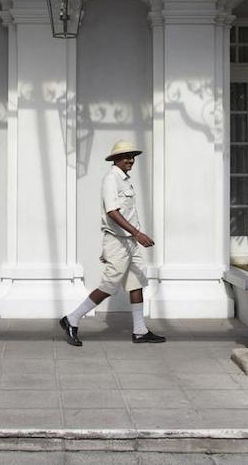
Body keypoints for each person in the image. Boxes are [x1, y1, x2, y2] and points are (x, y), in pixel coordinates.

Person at [58, 140, 165, 346]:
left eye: (133, 156)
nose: (131, 160)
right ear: (116, 159)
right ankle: (72, 319)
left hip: (129, 242)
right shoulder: (111, 180)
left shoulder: (124, 180)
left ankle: (140, 330)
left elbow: (125, 213)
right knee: (109, 286)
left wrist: (134, 236)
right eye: (126, 157)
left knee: (137, 283)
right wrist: (137, 234)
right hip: (119, 241)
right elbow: (112, 212)